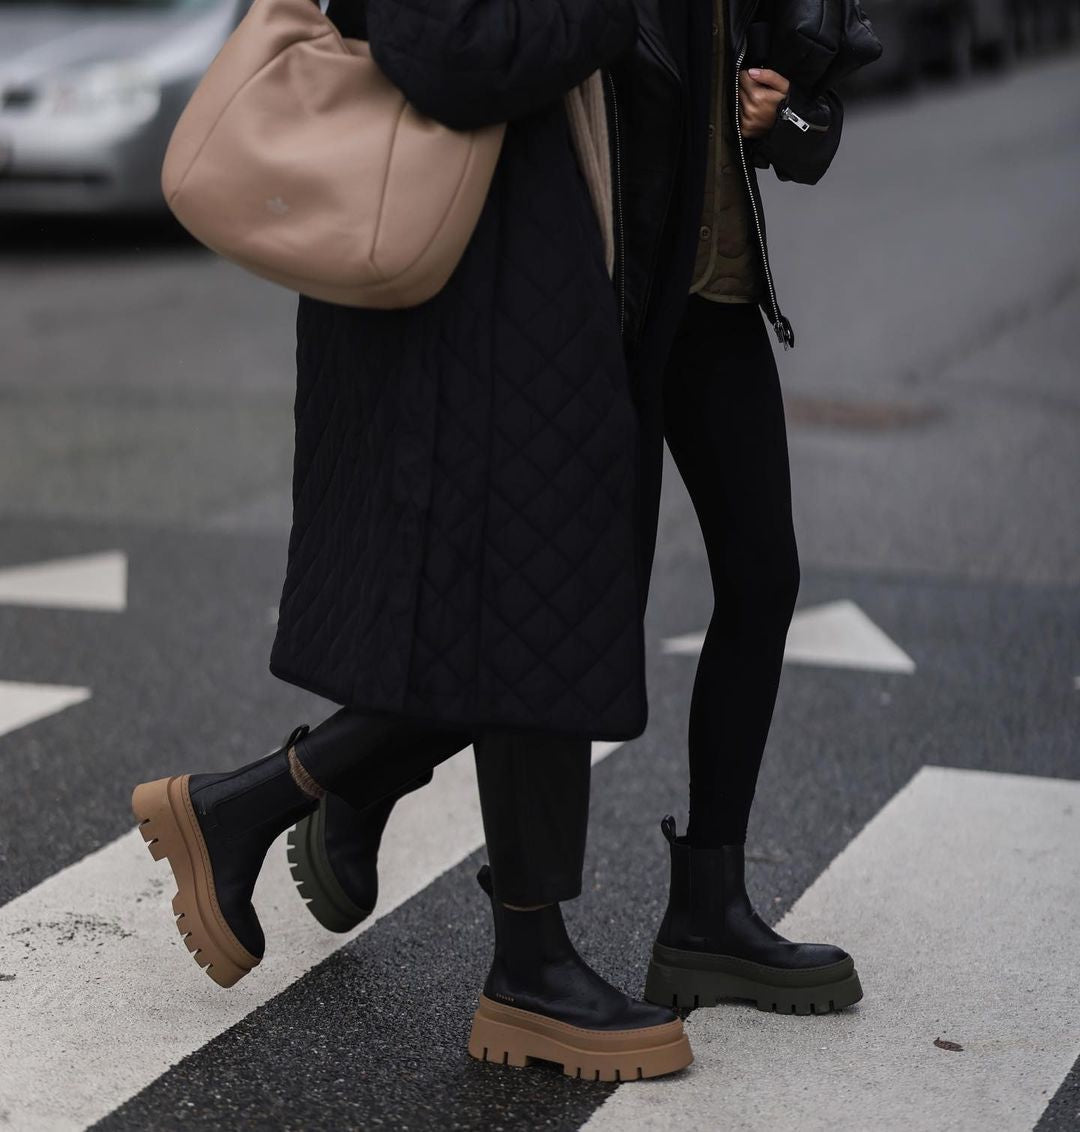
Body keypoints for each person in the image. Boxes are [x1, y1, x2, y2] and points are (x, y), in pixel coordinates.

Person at [131, 0, 696, 1086]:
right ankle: (524, 964)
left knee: (530, 605)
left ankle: (253, 811)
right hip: (459, 294)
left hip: (509, 276)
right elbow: (449, 46)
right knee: (531, 602)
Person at [277, 0, 863, 1032]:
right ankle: (329, 791)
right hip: (613, 302)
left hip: (716, 299)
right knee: (566, 624)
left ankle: (707, 907)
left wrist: (790, 120)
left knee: (763, 577)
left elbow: (815, 100)